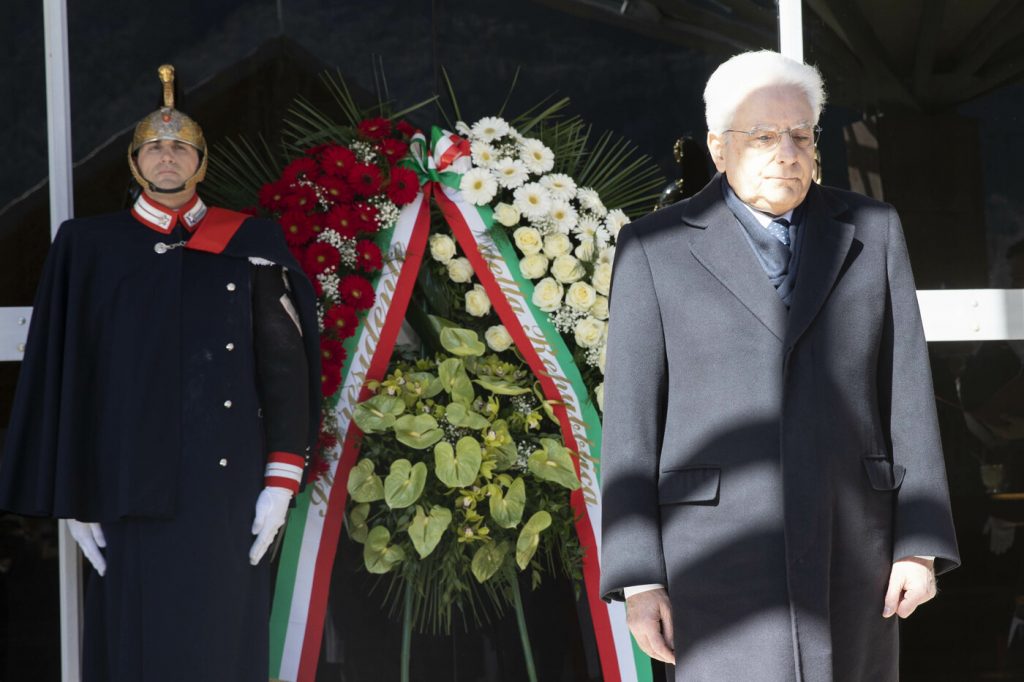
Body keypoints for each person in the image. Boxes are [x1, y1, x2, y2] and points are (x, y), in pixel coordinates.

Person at [599, 50, 960, 681]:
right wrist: (638, 579)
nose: (786, 153)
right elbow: (629, 422)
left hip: (854, 547)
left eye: (800, 135)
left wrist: (921, 541)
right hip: (712, 554)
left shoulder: (872, 230)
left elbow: (905, 388)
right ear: (718, 147)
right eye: (763, 137)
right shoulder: (654, 247)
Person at [0, 65, 321, 681]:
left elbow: (283, 364)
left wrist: (280, 482)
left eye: (180, 147)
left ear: (201, 162)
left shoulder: (248, 240)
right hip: (124, 484)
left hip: (226, 490)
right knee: (135, 649)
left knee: (222, 646)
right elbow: (69, 370)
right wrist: (74, 490)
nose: (166, 155)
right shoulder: (90, 247)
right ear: (133, 161)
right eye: (154, 146)